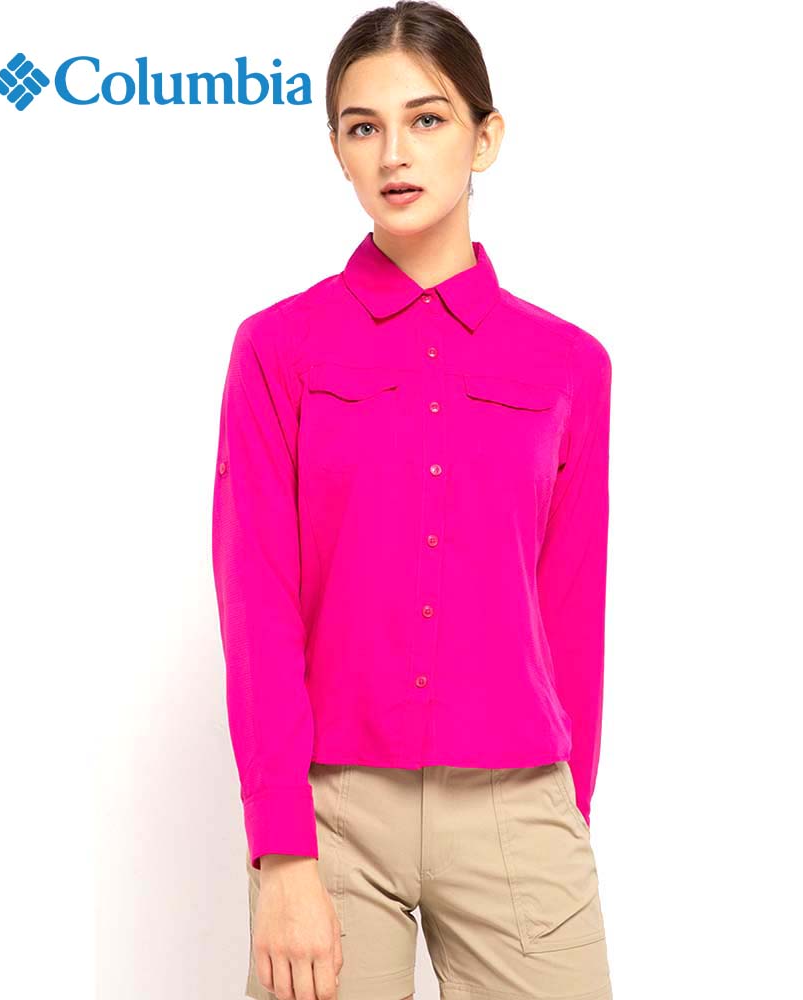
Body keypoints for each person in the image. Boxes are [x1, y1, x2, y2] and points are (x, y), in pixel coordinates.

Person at [211, 3, 614, 999]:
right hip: (333, 815)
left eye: (427, 119)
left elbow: (571, 606)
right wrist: (283, 853)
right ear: (338, 151)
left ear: (486, 136)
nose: (393, 152)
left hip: (518, 809)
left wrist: (567, 811)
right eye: (363, 126)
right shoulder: (277, 350)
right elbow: (257, 603)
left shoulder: (569, 363)